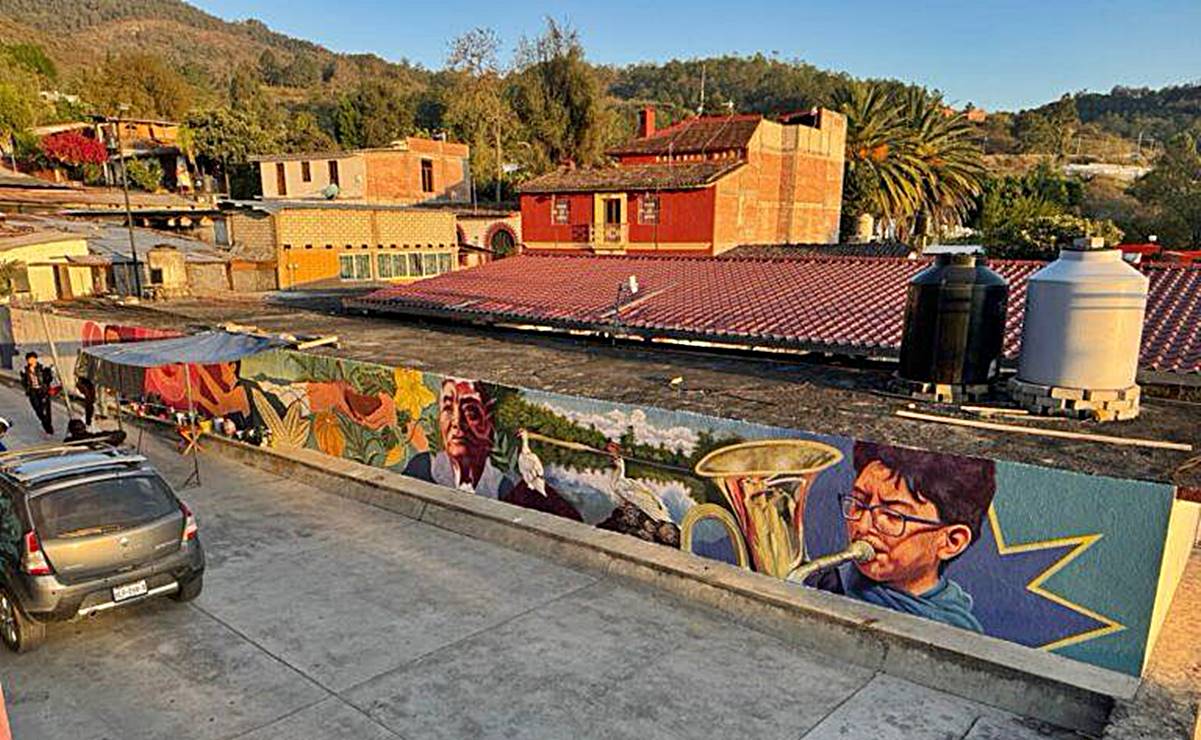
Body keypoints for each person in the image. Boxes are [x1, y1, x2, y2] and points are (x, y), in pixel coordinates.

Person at [807, 440, 995, 632]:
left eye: (892, 515)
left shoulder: (958, 634)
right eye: (859, 504)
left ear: (951, 541)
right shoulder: (823, 585)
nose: (862, 526)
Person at [403, 378, 511, 499]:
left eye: (470, 411)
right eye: (448, 408)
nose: (457, 422)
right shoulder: (421, 468)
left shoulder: (502, 488)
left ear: (488, 421)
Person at [19, 352, 55, 435]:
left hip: (43, 391)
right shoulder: (25, 370)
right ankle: (45, 423)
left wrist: (48, 373)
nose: (30, 361)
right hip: (32, 392)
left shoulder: (42, 368)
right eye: (28, 359)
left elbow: (48, 380)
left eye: (32, 359)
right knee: (38, 410)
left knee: (46, 410)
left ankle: (48, 428)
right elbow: (24, 382)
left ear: (35, 359)